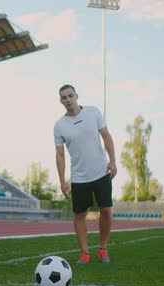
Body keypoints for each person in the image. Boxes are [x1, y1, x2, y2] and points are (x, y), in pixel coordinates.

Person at [54, 84, 117, 264]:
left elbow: (106, 136)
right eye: (64, 97)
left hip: (101, 171)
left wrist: (112, 161)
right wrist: (62, 181)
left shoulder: (93, 112)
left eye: (70, 96)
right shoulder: (59, 126)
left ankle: (103, 248)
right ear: (61, 101)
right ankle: (84, 253)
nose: (67, 100)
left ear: (76, 96)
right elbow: (59, 154)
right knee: (80, 215)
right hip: (79, 176)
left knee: (105, 210)